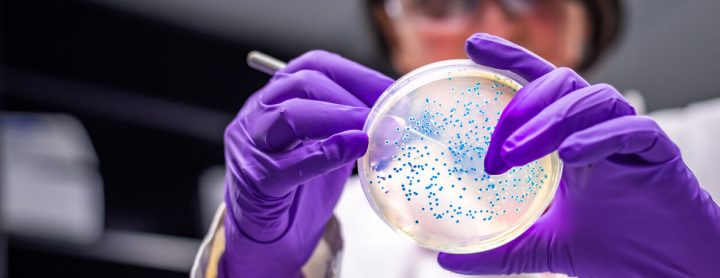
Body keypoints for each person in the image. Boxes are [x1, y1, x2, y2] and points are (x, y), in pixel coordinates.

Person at [192, 0, 720, 277]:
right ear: (392, 33)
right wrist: (262, 269)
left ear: (591, 18)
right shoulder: (348, 216)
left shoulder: (709, 141)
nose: (493, 23)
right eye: (440, 2)